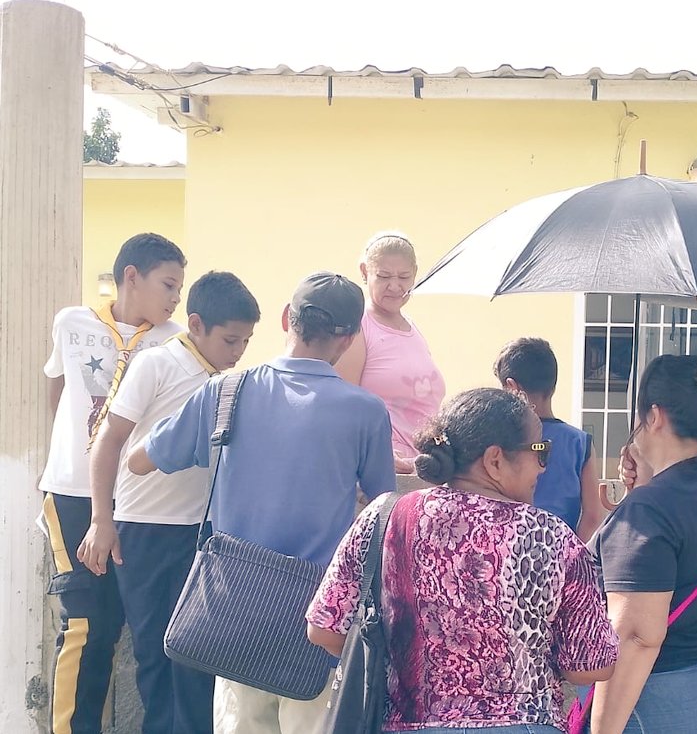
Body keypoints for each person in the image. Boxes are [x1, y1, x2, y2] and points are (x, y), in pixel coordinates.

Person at [127, 272, 397, 734]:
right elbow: (382, 510)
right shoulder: (365, 412)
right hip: (317, 615)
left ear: (286, 319)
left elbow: (139, 462)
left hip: (235, 608)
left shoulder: (225, 391)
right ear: (350, 337)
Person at [306, 388, 618, 733]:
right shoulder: (551, 537)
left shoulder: (385, 518)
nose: (543, 467)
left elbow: (323, 629)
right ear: (495, 460)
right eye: (540, 451)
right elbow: (590, 667)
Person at [76, 271, 260, 734]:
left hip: (207, 535)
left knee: (200, 659)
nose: (238, 351)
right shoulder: (156, 364)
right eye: (230, 340)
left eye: (246, 341)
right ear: (195, 325)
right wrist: (102, 519)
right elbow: (109, 440)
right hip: (146, 528)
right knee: (156, 656)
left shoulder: (233, 382)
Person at [38, 231, 186, 734]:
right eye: (168, 284)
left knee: (133, 626)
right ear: (131, 276)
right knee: (85, 623)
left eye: (180, 289)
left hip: (139, 502)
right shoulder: (72, 323)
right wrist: (78, 453)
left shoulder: (173, 341)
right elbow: (57, 391)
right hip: (73, 492)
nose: (174, 298)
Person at [589, 354, 697, 734]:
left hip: (655, 695)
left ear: (654, 416)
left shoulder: (649, 508)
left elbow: (635, 636)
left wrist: (602, 729)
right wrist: (641, 488)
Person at [335, 232, 445, 471]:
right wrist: (377, 457)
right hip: (381, 470)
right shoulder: (359, 327)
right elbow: (342, 408)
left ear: (415, 273)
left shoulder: (413, 327)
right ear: (364, 272)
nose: (395, 286)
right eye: (383, 276)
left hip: (425, 472)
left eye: (404, 277)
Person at [494, 337, 605, 541]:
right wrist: (571, 555)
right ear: (553, 384)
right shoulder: (581, 443)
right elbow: (593, 516)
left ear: (511, 387)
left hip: (510, 552)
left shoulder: (501, 440)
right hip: (561, 555)